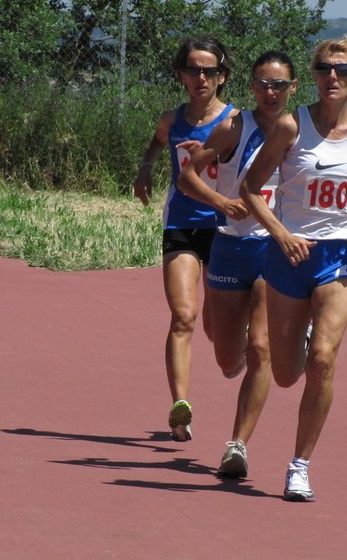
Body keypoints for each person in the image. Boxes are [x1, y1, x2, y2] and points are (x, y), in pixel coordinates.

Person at [240, 36, 347, 501]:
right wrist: (280, 234)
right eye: (325, 69)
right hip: (288, 255)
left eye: (342, 72)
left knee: (323, 360)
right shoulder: (290, 126)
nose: (333, 78)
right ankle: (302, 339)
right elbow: (249, 188)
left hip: (340, 256)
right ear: (315, 75)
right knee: (287, 373)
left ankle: (299, 466)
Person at [178, 51, 298, 478]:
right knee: (227, 354)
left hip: (275, 248)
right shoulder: (234, 127)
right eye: (263, 83)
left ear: (293, 89)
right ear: (251, 86)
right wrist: (222, 202)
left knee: (261, 347)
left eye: (279, 85)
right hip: (230, 246)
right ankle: (237, 351)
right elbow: (187, 176)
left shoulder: (303, 131)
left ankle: (237, 446)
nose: (271, 92)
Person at [132, 36, 234, 442]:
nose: (201, 77)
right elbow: (157, 144)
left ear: (221, 76)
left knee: (215, 327)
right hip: (182, 225)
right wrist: (145, 168)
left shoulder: (235, 122)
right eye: (193, 69)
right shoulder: (170, 120)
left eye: (209, 70)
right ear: (181, 76)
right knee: (183, 316)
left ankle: (233, 347)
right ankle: (181, 408)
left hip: (225, 228)